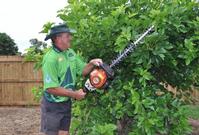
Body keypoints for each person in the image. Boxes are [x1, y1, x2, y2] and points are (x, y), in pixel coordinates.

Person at [41, 23, 102, 135]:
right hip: (52, 104)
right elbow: (51, 88)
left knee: (64, 133)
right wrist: (74, 94)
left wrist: (91, 63)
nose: (71, 38)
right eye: (67, 35)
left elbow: (83, 70)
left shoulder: (70, 53)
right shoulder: (51, 59)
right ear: (58, 38)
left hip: (65, 102)